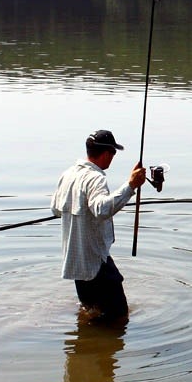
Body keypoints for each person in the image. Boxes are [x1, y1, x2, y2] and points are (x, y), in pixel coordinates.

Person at [52, 129, 146, 321]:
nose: (113, 158)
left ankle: (87, 345)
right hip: (95, 262)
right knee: (119, 316)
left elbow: (55, 209)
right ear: (106, 153)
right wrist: (130, 186)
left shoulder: (68, 174)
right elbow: (101, 210)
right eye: (113, 153)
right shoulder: (96, 178)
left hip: (77, 264)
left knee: (92, 314)